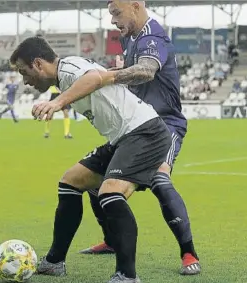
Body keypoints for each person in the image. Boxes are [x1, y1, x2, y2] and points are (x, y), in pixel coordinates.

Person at [11, 36, 173, 283]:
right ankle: (54, 262)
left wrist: (57, 103)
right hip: (124, 138)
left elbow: (95, 77)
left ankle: (127, 276)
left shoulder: (70, 67)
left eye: (24, 72)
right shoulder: (64, 78)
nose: (25, 80)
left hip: (145, 132)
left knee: (110, 192)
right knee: (71, 181)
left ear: (38, 64)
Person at [80, 0, 201, 276]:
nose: (112, 20)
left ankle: (188, 251)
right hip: (137, 126)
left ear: (135, 6)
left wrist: (103, 77)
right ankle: (112, 240)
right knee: (92, 177)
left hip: (165, 125)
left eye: (116, 13)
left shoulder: (151, 35)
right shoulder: (130, 38)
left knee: (159, 178)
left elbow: (146, 70)